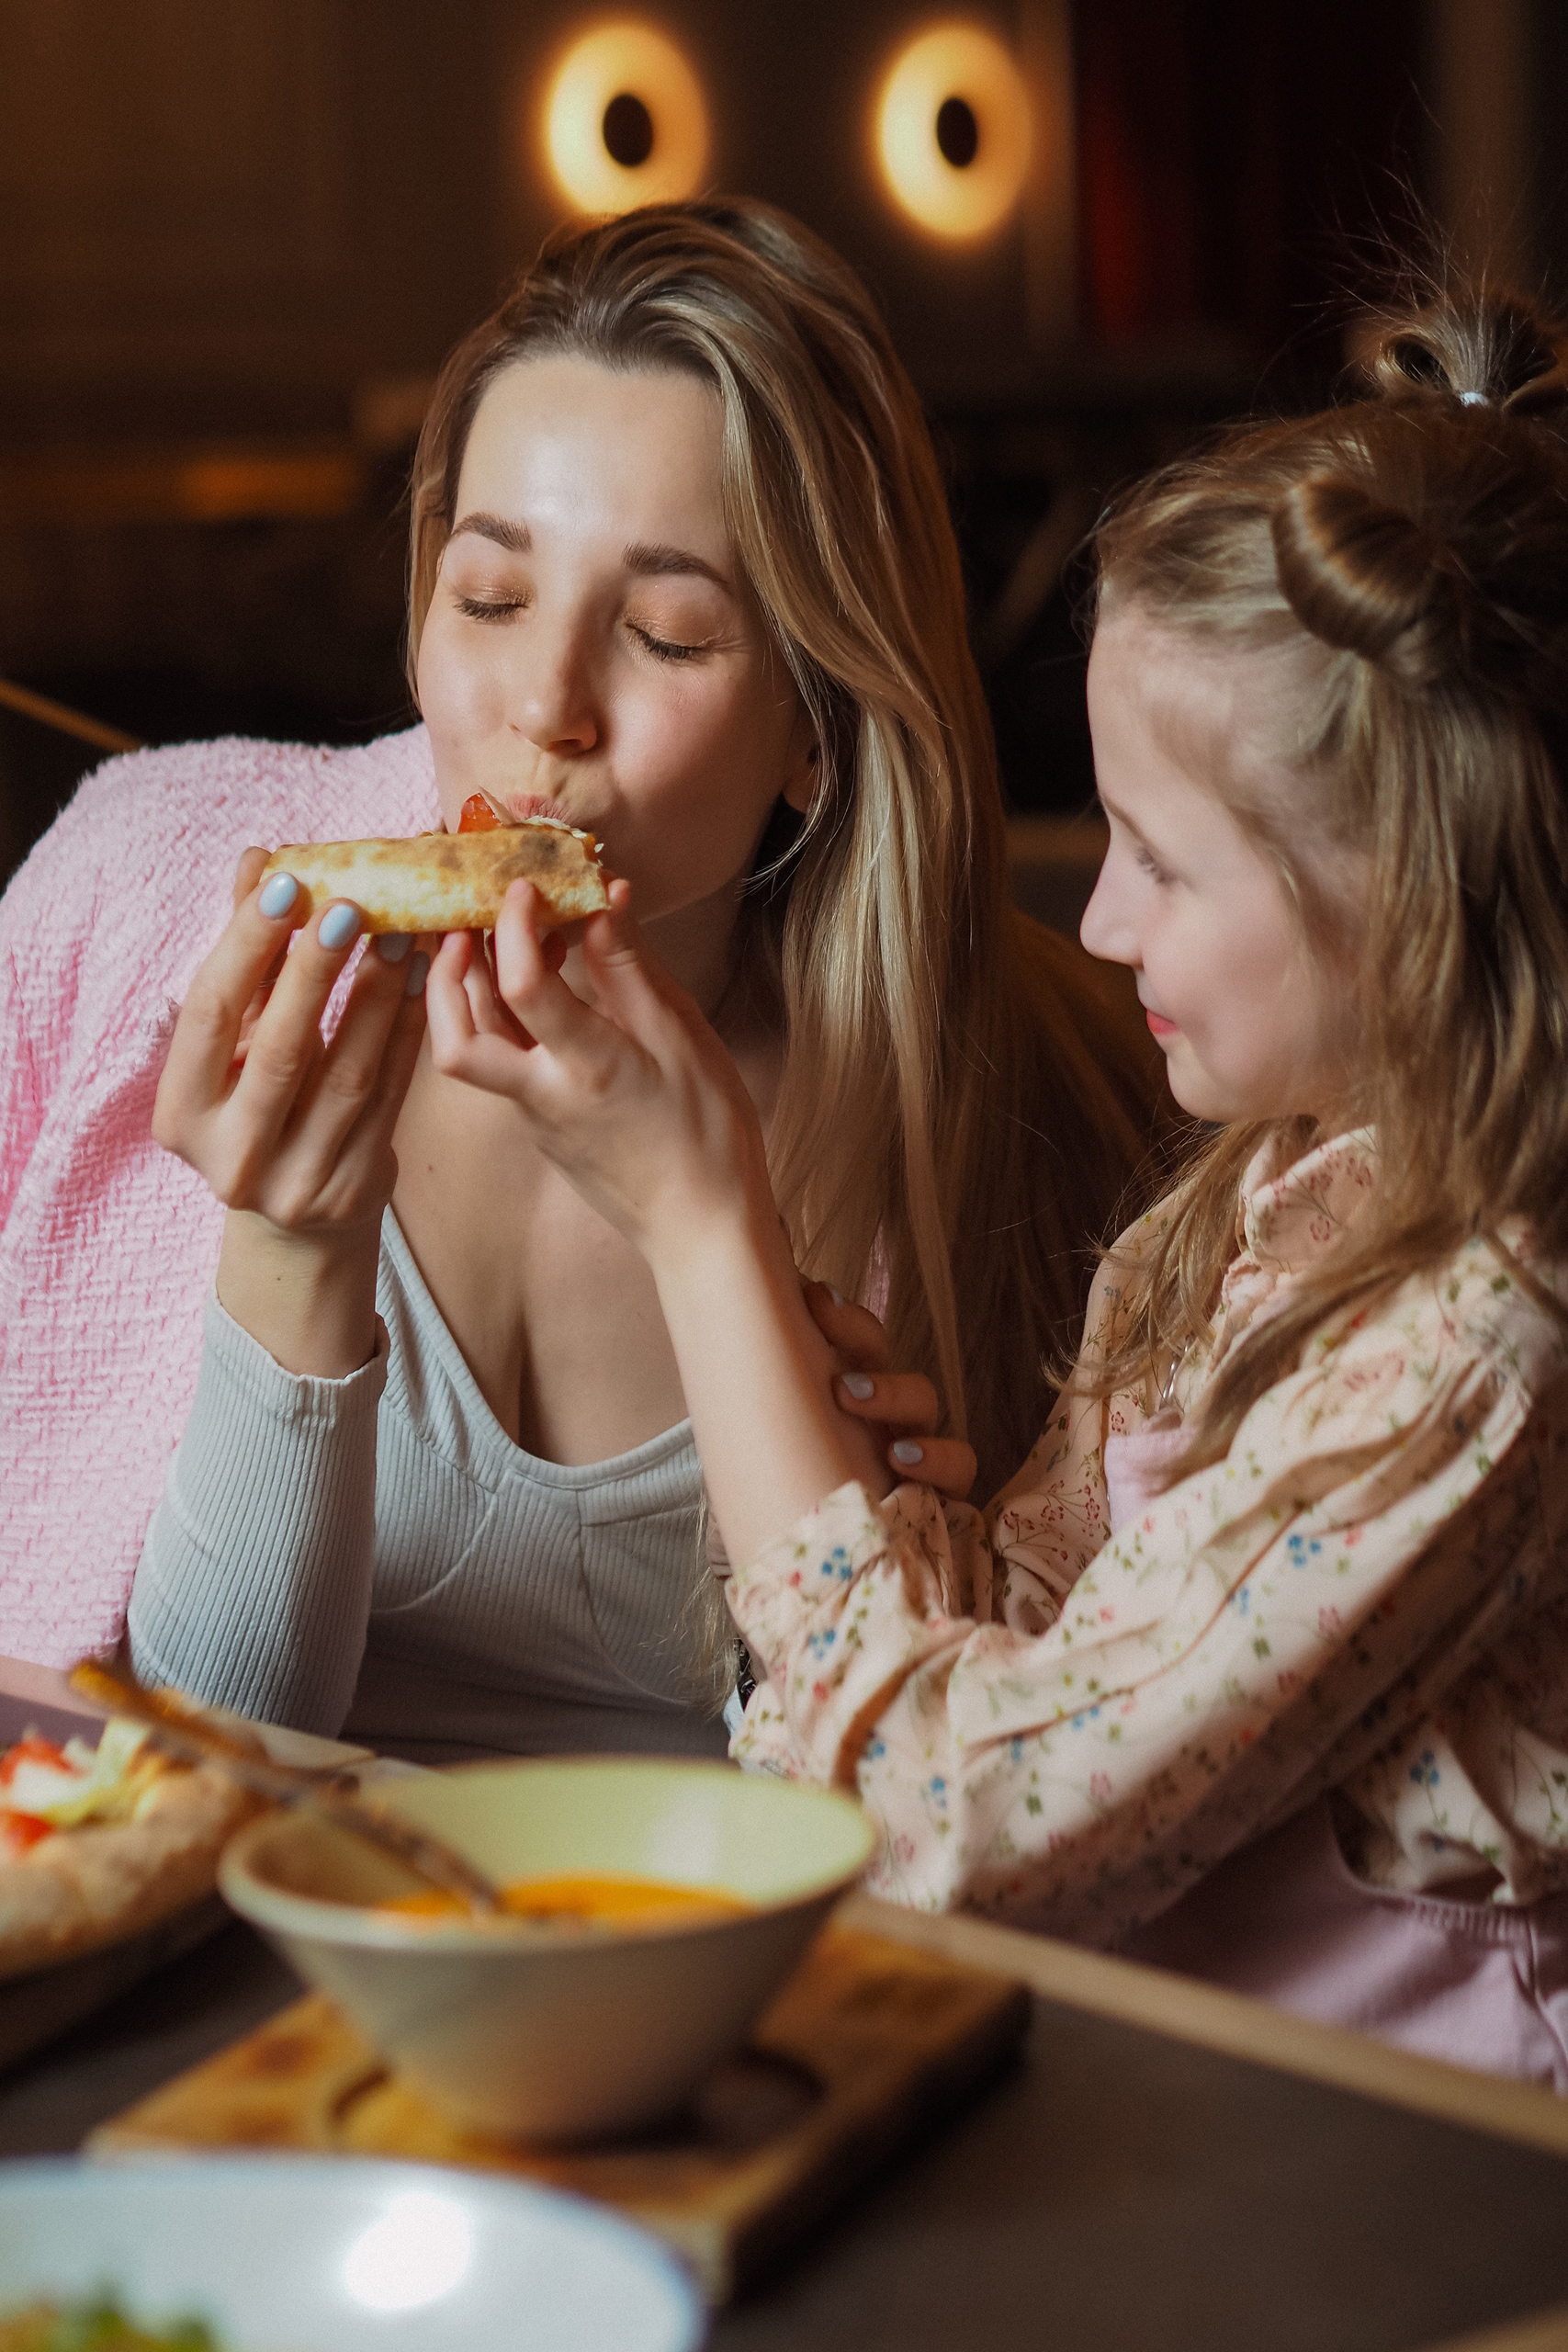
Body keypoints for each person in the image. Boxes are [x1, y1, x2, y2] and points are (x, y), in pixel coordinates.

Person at [427, 285, 1568, 2082]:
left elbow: (935, 1835)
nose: (1099, 923)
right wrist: (870, 1486)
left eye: (1163, 863)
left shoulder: (1468, 1364)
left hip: (1399, 2198)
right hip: (1166, 2106)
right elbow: (1045, 1666)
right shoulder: (1228, 1218)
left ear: (1410, 903)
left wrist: (702, 1231)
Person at [0, 199, 1154, 1760]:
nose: (546, 705)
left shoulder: (1031, 1091)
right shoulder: (138, 895)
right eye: (489, 597)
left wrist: (878, 1545)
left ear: (818, 729)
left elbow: (948, 1795)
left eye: (670, 636)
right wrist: (289, 1249)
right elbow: (202, 1764)